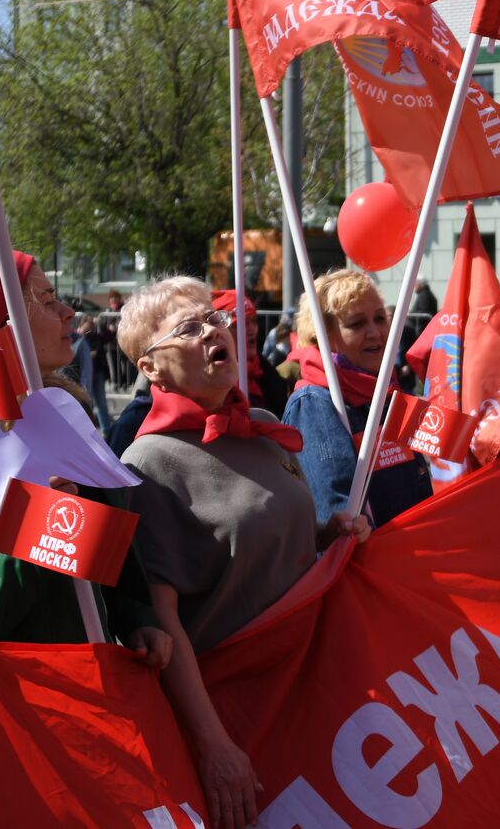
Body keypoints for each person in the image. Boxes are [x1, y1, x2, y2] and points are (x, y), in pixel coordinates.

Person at [116, 275, 369, 829]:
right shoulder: (146, 465)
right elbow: (163, 621)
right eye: (189, 327)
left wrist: (334, 535)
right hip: (246, 710)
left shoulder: (265, 429)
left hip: (322, 687)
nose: (213, 329)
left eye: (215, 319)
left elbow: (283, 545)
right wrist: (214, 746)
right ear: (150, 367)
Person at [0, 237, 168, 656]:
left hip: (100, 680)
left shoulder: (65, 416)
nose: (69, 311)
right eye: (49, 298)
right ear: (2, 322)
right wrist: (43, 527)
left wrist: (134, 618)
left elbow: (99, 554)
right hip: (28, 703)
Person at [282, 269, 432, 529]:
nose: (374, 332)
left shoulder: (386, 390)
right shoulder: (315, 402)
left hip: (414, 558)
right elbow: (337, 514)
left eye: (379, 318)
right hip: (376, 564)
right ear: (324, 337)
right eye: (357, 324)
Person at [212, 290, 289, 418]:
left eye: (254, 321)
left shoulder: (267, 374)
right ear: (219, 332)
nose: (252, 330)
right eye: (240, 324)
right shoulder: (211, 382)